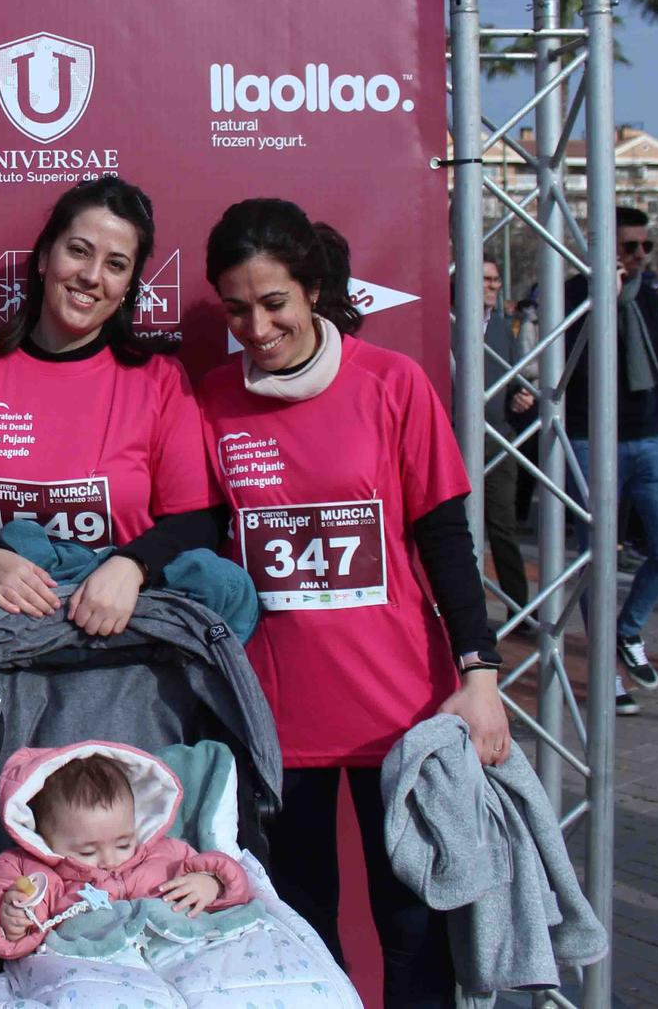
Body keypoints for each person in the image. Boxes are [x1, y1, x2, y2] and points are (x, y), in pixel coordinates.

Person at [196, 198, 507, 1007]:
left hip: (397, 707)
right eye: (236, 309)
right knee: (298, 924)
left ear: (314, 290)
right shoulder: (212, 400)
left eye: (273, 303)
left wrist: (481, 675)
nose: (256, 327)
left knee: (411, 924)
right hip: (274, 715)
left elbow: (446, 541)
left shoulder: (392, 383)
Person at [0, 176, 219, 635]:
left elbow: (196, 520)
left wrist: (133, 566)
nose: (92, 276)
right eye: (79, 251)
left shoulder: (159, 380)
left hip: (117, 643)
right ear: (45, 257)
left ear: (130, 285)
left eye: (116, 264)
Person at [562, 206, 658, 712]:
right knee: (595, 559)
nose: (640, 256)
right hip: (590, 438)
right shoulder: (574, 294)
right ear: (603, 247)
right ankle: (607, 673)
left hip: (650, 439)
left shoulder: (649, 296)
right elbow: (564, 368)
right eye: (630, 247)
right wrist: (604, 297)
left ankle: (627, 630)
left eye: (646, 247)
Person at [0, 744, 253, 960]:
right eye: (87, 851)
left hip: (180, 956)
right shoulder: (31, 872)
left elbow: (236, 884)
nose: (108, 860)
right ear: (44, 838)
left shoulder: (167, 855)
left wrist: (212, 884)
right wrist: (11, 921)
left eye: (123, 843)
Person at [481, 258, 535, 612]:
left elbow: (517, 377)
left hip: (498, 440)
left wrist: (521, 395)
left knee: (503, 526)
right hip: (451, 438)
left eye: (496, 280)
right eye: (484, 279)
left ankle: (521, 610)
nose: (492, 286)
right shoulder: (443, 324)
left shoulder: (504, 328)